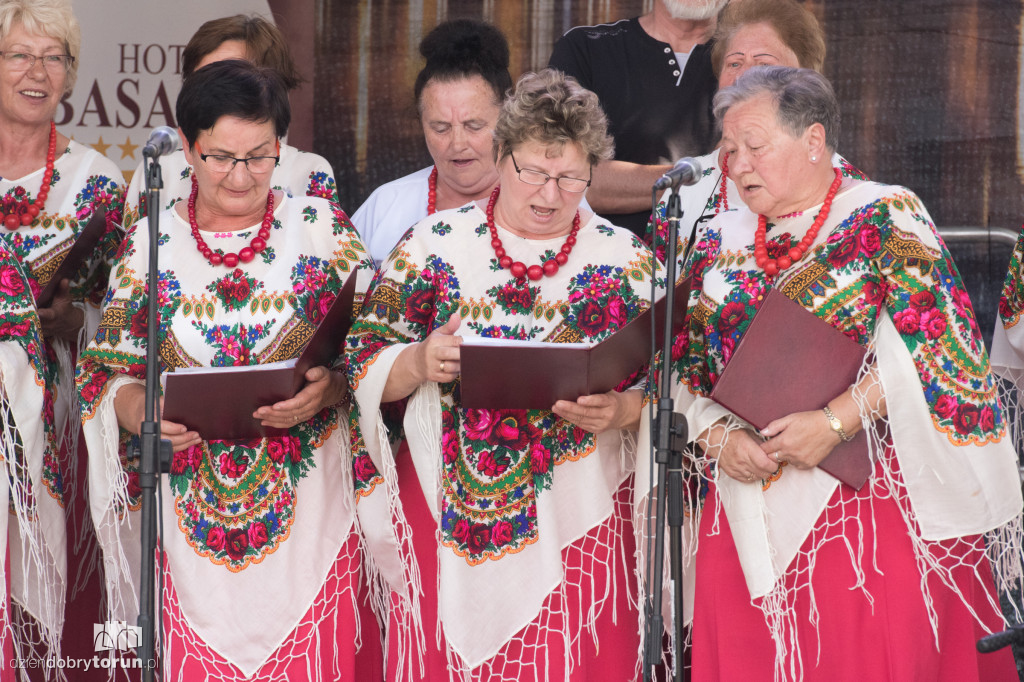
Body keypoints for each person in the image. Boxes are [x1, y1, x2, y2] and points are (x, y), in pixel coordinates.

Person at [669, 65, 1022, 680]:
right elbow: (679, 366)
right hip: (744, 488)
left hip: (868, 501)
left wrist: (835, 421)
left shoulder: (884, 214)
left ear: (813, 140)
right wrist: (716, 437)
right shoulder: (714, 237)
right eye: (728, 151)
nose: (737, 166)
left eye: (755, 147)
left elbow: (941, 345)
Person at [348, 69, 655, 680]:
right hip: (446, 506)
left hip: (584, 512)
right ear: (502, 155)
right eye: (533, 173)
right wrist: (416, 361)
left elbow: (682, 377)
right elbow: (361, 354)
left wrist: (625, 411)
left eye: (570, 177)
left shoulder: (628, 260)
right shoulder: (432, 244)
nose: (548, 195)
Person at [77, 60, 379, 680]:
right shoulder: (150, 242)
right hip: (189, 531)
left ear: (281, 147)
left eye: (260, 157)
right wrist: (141, 414)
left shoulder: (320, 230)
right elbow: (105, 374)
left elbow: (377, 347)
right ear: (187, 147)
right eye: (221, 157)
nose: (241, 177)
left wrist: (336, 387)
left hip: (309, 518)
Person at [0, 0, 125, 666]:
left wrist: (74, 319)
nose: (38, 71)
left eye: (55, 57)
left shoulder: (95, 182)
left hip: (55, 419)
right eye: (20, 54)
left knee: (43, 606)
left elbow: (123, 315)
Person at [648, 0, 869, 267]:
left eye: (763, 63)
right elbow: (658, 295)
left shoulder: (853, 193)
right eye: (734, 63)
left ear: (804, 76)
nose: (745, 77)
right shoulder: (687, 186)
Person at [121, 14, 338, 228]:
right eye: (204, 79)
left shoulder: (309, 170)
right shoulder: (159, 167)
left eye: (233, 77)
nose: (217, 89)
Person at [548, 0, 724, 236]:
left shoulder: (752, 59)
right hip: (609, 259)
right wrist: (711, 173)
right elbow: (568, 178)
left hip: (720, 260)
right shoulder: (586, 47)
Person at [351, 19, 511, 265]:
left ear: (508, 120)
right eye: (440, 128)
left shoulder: (547, 200)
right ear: (421, 123)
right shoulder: (386, 205)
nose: (457, 144)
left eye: (474, 126)